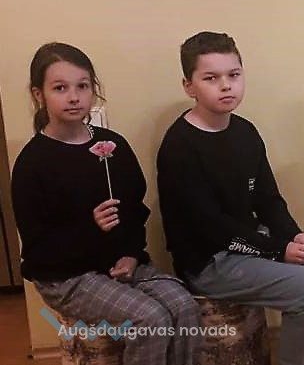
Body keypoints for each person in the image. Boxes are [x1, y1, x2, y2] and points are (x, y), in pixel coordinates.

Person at [156, 31, 304, 365]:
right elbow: (211, 227)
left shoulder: (245, 132)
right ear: (189, 86)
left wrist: (294, 236)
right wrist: (278, 250)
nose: (225, 86)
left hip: (250, 243)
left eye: (233, 75)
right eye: (211, 78)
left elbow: (268, 199)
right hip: (209, 260)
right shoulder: (180, 146)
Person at [12, 42, 200, 365]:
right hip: (65, 275)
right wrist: (91, 227)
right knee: (149, 319)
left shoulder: (113, 146)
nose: (74, 97)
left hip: (117, 262)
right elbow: (38, 247)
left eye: (83, 86)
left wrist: (131, 253)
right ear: (38, 94)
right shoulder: (33, 164)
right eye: (60, 88)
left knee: (184, 307)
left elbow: (135, 210)